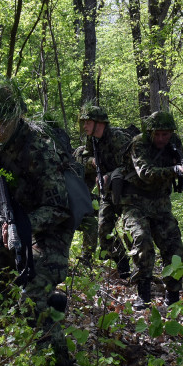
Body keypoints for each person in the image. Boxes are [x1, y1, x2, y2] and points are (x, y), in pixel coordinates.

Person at [0, 84, 78, 366]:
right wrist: (5, 224)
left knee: (32, 297)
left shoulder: (39, 147)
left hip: (50, 231)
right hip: (12, 225)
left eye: (3, 121)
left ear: (17, 115)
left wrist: (24, 228)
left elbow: (60, 206)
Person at [122, 110, 183, 309]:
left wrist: (182, 170)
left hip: (161, 205)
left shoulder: (174, 143)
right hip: (134, 204)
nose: (161, 138)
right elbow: (145, 173)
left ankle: (173, 297)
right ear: (150, 132)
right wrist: (174, 171)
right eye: (157, 134)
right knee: (142, 242)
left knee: (174, 247)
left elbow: (180, 161)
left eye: (165, 134)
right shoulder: (139, 143)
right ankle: (143, 295)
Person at [73, 102, 132, 277]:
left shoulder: (118, 138)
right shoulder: (92, 140)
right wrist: (92, 163)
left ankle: (143, 270)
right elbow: (83, 160)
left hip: (128, 191)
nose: (84, 126)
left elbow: (131, 165)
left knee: (134, 231)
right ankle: (123, 266)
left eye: (88, 122)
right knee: (104, 231)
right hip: (108, 191)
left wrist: (109, 174)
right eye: (83, 122)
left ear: (100, 123)